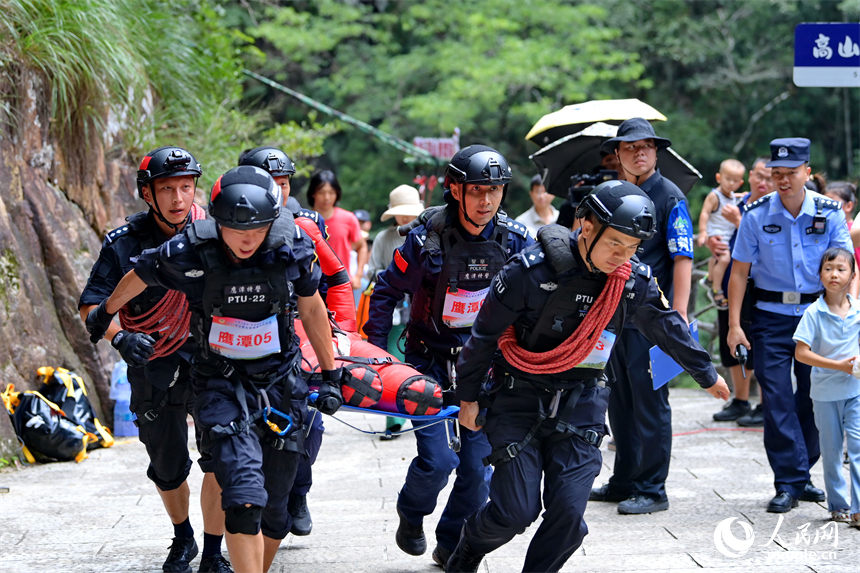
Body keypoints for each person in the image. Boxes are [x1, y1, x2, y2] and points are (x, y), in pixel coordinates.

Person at [448, 181, 730, 573]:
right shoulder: (528, 273)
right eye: (615, 242)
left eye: (632, 247)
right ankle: (467, 551)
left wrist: (706, 373)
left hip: (581, 402)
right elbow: (484, 336)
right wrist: (468, 398)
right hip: (518, 399)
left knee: (569, 516)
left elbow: (665, 325)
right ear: (585, 223)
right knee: (515, 512)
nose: (622, 256)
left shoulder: (631, 282)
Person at [86, 166, 346, 572]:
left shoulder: (291, 243)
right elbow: (139, 275)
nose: (247, 238)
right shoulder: (191, 248)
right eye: (235, 228)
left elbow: (312, 307)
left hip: (279, 383)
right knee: (242, 497)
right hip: (219, 384)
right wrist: (107, 313)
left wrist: (330, 375)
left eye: (258, 228)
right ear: (217, 222)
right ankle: (205, 547)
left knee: (275, 509)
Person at [364, 145, 534, 567]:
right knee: (439, 459)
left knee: (477, 470)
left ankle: (450, 543)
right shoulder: (426, 241)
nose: (486, 201)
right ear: (455, 190)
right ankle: (411, 514)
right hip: (427, 360)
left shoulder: (513, 240)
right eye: (477, 190)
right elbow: (385, 293)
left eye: (495, 191)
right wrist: (376, 356)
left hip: (483, 367)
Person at [79, 146, 232, 573]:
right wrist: (120, 336)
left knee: (220, 454)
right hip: (152, 362)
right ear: (147, 193)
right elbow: (91, 307)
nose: (179, 198)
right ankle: (183, 537)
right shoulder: (124, 244)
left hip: (211, 359)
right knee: (166, 463)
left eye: (186, 187)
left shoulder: (218, 232)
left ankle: (213, 550)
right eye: (167, 188)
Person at [728, 137, 851, 513]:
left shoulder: (830, 212)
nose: (783, 180)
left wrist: (850, 312)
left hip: (818, 317)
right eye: (776, 174)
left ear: (807, 173)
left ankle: (801, 473)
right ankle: (789, 481)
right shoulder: (756, 213)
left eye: (791, 173)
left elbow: (847, 265)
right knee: (776, 398)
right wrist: (734, 324)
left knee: (814, 398)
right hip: (770, 318)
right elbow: (739, 273)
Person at [238, 147, 349, 538]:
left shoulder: (306, 225)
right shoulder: (223, 225)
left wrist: (341, 331)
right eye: (271, 184)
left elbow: (334, 280)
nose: (278, 192)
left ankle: (297, 493)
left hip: (298, 340)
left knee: (309, 426)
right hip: (239, 351)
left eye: (284, 184)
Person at [588, 117, 695, 514]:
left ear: (657, 151)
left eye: (647, 146)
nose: (640, 152)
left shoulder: (670, 196)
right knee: (620, 400)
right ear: (617, 154)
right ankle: (624, 480)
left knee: (651, 402)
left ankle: (653, 488)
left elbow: (682, 256)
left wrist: (678, 316)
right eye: (631, 147)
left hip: (652, 317)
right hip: (613, 316)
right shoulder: (615, 195)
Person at [794, 247, 860, 526]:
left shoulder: (858, 310)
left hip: (854, 391)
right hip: (823, 394)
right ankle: (838, 504)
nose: (834, 274)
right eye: (828, 268)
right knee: (831, 452)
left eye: (841, 269)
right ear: (820, 274)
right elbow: (801, 353)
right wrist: (840, 366)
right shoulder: (813, 313)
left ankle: (858, 508)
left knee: (857, 447)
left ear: (852, 275)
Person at [708, 156, 773, 425]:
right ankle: (741, 400)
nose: (762, 181)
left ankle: (764, 404)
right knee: (730, 342)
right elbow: (717, 231)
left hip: (759, 288)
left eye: (769, 177)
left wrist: (738, 222)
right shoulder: (736, 201)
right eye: (759, 175)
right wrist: (712, 242)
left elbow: (769, 249)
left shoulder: (773, 208)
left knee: (759, 346)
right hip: (728, 286)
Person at [364, 184, 426, 438]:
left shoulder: (427, 235)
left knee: (422, 365)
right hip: (392, 312)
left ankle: (424, 414)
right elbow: (372, 270)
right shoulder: (383, 238)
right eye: (400, 213)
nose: (404, 219)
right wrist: (393, 278)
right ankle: (393, 421)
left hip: (423, 312)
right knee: (392, 364)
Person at [306, 170, 368, 290]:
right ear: (313, 193)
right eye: (321, 192)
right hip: (309, 286)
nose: (326, 198)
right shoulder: (302, 219)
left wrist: (358, 276)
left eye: (331, 192)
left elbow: (362, 245)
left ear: (337, 193)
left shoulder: (348, 219)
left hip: (340, 285)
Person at [697, 159, 746, 307]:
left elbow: (732, 196)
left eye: (735, 181)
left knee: (716, 259)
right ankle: (716, 290)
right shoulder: (714, 196)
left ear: (740, 183)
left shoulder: (731, 195)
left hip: (726, 233)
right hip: (717, 233)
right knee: (724, 259)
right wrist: (703, 233)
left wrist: (741, 194)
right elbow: (705, 213)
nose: (731, 183)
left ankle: (709, 279)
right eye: (728, 179)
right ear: (719, 178)